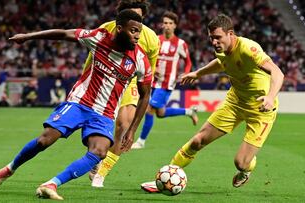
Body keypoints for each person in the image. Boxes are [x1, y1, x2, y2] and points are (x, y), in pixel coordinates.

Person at [0, 10, 152, 200]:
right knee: (44, 140)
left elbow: (145, 95)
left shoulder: (140, 59)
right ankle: (10, 168)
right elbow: (63, 33)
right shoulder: (98, 38)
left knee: (99, 151)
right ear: (119, 28)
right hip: (79, 103)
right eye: (133, 31)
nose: (137, 36)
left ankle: (52, 184)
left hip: (105, 113)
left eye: (139, 32)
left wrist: (131, 131)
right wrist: (27, 37)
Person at [141, 13, 284, 193]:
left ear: (230, 34)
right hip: (235, 103)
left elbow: (277, 73)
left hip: (260, 109)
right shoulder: (222, 50)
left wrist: (270, 97)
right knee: (197, 141)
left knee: (241, 163)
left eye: (218, 37)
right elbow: (221, 63)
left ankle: (246, 170)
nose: (214, 42)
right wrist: (198, 74)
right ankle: (165, 177)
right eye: (211, 38)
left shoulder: (249, 48)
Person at [88, 0, 160, 188]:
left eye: (138, 16)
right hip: (104, 78)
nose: (134, 20)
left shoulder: (151, 39)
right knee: (96, 125)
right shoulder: (106, 29)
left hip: (130, 82)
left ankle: (101, 174)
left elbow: (148, 73)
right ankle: (95, 156)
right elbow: (92, 57)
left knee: (124, 124)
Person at [131, 11, 198, 150]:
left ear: (175, 26)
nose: (167, 26)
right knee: (160, 113)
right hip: (152, 81)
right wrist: (152, 69)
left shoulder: (180, 43)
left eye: (170, 23)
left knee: (149, 109)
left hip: (167, 83)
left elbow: (188, 61)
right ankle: (189, 112)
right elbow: (147, 57)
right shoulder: (156, 39)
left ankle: (141, 141)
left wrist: (186, 73)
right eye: (165, 23)